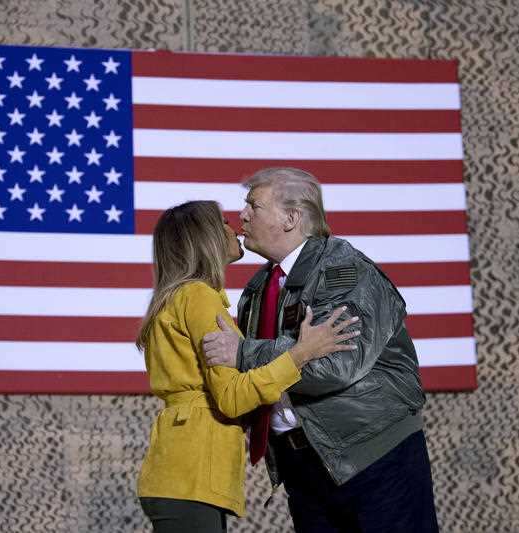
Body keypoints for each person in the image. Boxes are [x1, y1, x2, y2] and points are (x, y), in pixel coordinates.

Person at [202, 167, 439, 533]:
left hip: (373, 459)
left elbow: (335, 364)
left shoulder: (343, 270)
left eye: (254, 205)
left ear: (291, 218)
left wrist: (245, 352)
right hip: (305, 466)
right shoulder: (257, 288)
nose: (242, 216)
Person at [136, 200, 360, 533]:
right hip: (190, 476)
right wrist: (300, 353)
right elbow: (231, 398)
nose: (235, 226)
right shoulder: (198, 297)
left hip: (178, 472)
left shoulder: (178, 297)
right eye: (224, 222)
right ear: (207, 237)